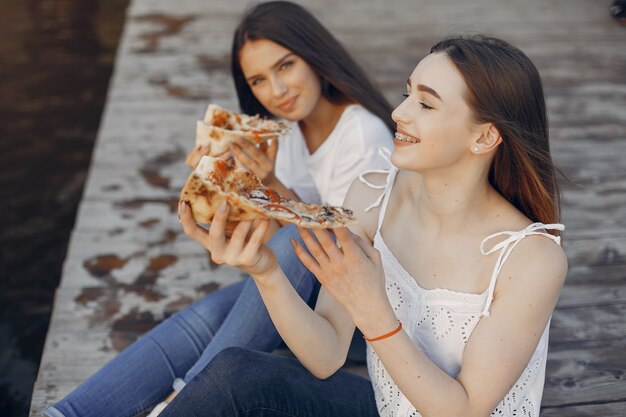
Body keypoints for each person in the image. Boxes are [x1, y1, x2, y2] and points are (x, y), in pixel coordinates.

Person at [168, 35, 568, 417]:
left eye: (425, 105)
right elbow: (326, 356)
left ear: (483, 137)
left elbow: (465, 410)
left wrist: (373, 312)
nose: (399, 113)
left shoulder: (530, 259)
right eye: (406, 94)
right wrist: (266, 271)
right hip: (384, 408)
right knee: (235, 374)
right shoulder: (371, 196)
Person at [42, 2, 393, 417]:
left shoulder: (363, 136)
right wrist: (221, 183)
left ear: (315, 56)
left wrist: (270, 189)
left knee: (274, 260)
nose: (277, 90)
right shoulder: (286, 130)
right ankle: (66, 413)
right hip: (310, 290)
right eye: (259, 80)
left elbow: (339, 246)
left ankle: (185, 398)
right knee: (211, 314)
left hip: (363, 316)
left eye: (287, 66)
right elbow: (269, 240)